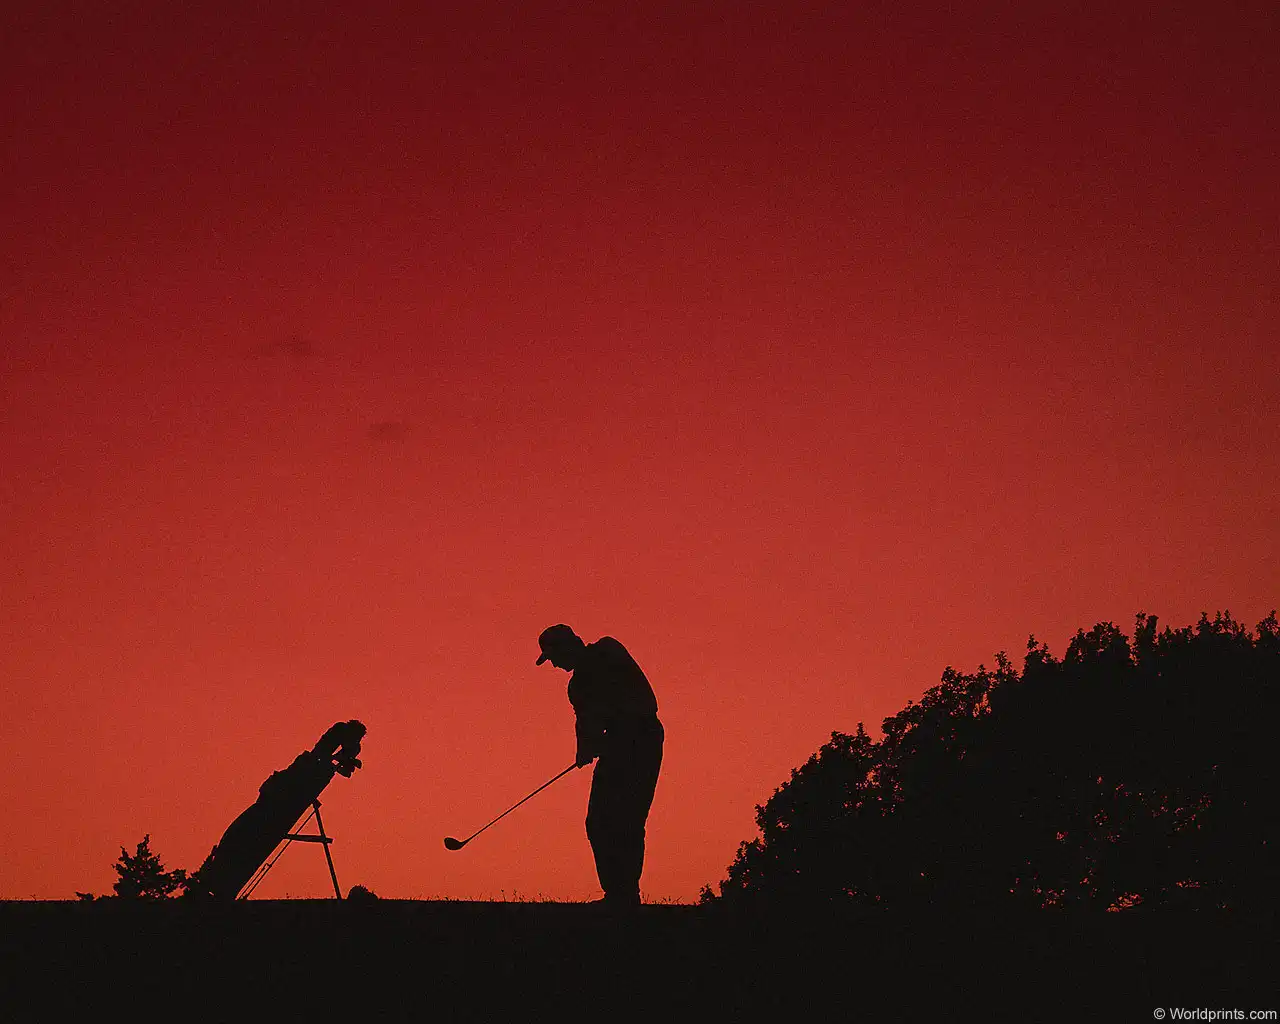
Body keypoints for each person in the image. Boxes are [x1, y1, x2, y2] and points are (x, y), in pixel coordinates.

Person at [537, 624, 663, 908]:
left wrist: (591, 743)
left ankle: (624, 895)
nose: (554, 665)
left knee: (624, 820)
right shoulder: (578, 684)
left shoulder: (607, 650)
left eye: (553, 656)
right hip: (621, 744)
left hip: (640, 740)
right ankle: (619, 893)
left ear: (568, 647)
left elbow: (619, 701)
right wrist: (585, 747)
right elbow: (586, 723)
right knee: (601, 822)